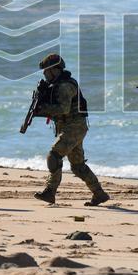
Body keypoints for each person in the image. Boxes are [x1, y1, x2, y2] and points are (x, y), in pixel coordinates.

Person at [31, 53, 109, 206]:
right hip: (71, 127)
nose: (44, 75)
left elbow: (63, 109)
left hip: (75, 127)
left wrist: (42, 108)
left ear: (54, 70)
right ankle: (99, 194)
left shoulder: (65, 86)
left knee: (54, 156)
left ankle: (50, 192)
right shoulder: (56, 85)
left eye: (46, 71)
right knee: (78, 166)